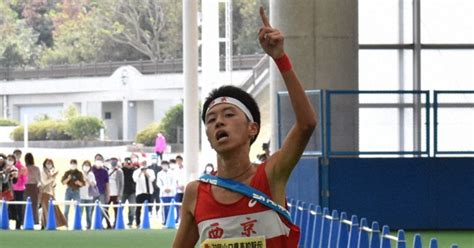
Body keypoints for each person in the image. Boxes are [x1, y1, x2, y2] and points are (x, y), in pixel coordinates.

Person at [172, 7, 316, 247]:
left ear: (252, 128)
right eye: (210, 119)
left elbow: (307, 124)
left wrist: (280, 58)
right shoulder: (195, 193)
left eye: (229, 114)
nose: (218, 121)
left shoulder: (271, 175)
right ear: (207, 136)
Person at [40, 158, 67, 229]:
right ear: (45, 164)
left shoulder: (50, 172)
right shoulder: (43, 172)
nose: (49, 165)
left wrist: (53, 178)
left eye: (50, 163)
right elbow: (44, 182)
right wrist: (53, 177)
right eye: (47, 163)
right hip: (45, 193)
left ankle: (44, 225)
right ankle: (49, 224)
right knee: (48, 209)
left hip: (51, 193)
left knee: (47, 209)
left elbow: (53, 184)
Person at [61, 159, 85, 226]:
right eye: (72, 164)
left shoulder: (79, 173)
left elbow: (83, 184)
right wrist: (68, 178)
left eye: (74, 164)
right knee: (66, 209)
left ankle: (77, 224)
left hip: (76, 191)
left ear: (77, 165)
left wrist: (79, 182)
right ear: (70, 164)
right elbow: (63, 182)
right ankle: (66, 225)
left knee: (78, 209)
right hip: (68, 191)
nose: (73, 165)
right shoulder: (67, 173)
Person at [132, 160, 155, 228]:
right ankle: (138, 223)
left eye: (145, 163)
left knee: (149, 208)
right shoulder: (136, 172)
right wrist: (140, 172)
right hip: (140, 192)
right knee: (138, 208)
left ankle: (148, 222)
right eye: (142, 163)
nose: (144, 164)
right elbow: (135, 180)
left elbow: (152, 179)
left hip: (149, 192)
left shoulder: (151, 171)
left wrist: (146, 173)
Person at [91, 154, 111, 229]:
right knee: (91, 209)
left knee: (103, 209)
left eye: (100, 159)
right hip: (92, 193)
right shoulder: (91, 170)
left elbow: (107, 183)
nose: (98, 160)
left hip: (102, 193)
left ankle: (99, 223)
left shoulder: (104, 171)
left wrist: (108, 194)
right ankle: (89, 224)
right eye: (97, 159)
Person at [11, 151, 27, 230]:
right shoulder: (10, 166)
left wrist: (22, 174)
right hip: (10, 189)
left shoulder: (22, 167)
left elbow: (25, 180)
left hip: (20, 190)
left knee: (19, 207)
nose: (17, 156)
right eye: (16, 154)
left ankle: (18, 225)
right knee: (10, 207)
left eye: (19, 155)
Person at [156, 160, 175, 225]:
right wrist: (164, 189)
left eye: (166, 164)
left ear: (168, 165)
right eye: (163, 165)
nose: (165, 166)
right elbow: (158, 183)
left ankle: (171, 220)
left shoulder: (172, 173)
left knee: (171, 207)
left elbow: (174, 182)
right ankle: (165, 221)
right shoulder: (159, 174)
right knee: (164, 208)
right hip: (163, 194)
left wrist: (170, 189)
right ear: (161, 166)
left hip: (171, 193)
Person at [24, 152, 41, 225]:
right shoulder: (36, 168)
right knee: (34, 205)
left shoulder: (24, 168)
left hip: (25, 187)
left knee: (25, 205)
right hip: (34, 187)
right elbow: (39, 180)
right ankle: (35, 221)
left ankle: (25, 220)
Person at [107, 157, 124, 228]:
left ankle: (115, 224)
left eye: (114, 161)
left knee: (116, 210)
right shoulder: (107, 170)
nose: (113, 162)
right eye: (112, 160)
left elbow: (122, 183)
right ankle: (108, 224)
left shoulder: (119, 171)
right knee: (105, 209)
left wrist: (120, 194)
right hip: (108, 194)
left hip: (116, 194)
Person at [79, 160, 96, 230]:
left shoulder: (91, 174)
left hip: (89, 197)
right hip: (81, 196)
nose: (86, 167)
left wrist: (88, 180)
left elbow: (94, 184)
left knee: (88, 213)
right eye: (85, 165)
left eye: (88, 165)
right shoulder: (80, 174)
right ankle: (78, 225)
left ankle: (88, 226)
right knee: (80, 212)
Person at [121, 157, 137, 228]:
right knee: (120, 207)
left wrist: (131, 168)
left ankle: (130, 222)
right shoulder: (121, 170)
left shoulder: (134, 170)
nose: (128, 164)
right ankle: (118, 221)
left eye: (129, 162)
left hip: (132, 192)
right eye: (126, 162)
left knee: (132, 208)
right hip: (123, 191)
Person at [174, 155, 186, 223]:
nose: (178, 162)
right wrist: (178, 186)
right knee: (178, 205)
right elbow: (175, 180)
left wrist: (184, 186)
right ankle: (178, 219)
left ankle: (183, 219)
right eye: (177, 160)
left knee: (184, 205)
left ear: (182, 160)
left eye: (179, 160)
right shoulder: (175, 170)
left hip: (185, 190)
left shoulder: (186, 169)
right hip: (178, 190)